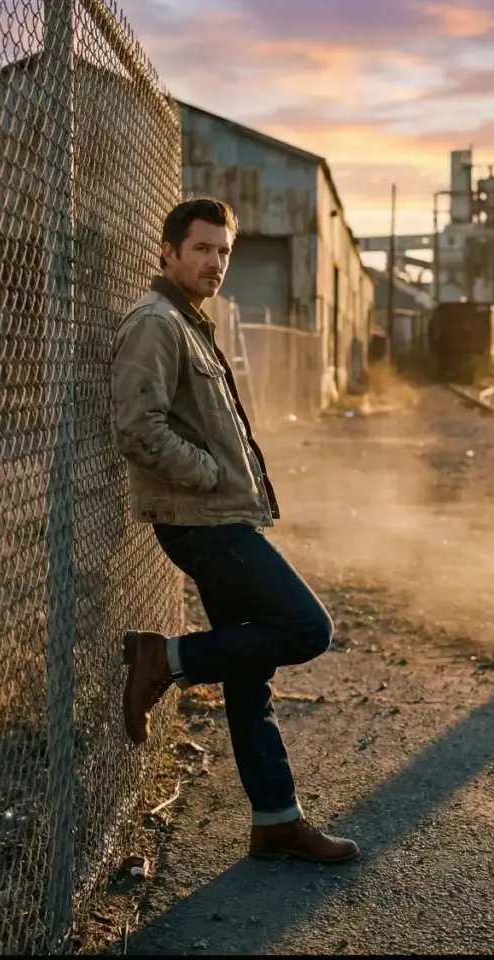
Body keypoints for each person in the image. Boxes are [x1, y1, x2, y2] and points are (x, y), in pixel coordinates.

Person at [111, 197, 359, 864]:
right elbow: (137, 427)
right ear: (167, 251)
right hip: (201, 522)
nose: (215, 262)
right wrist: (210, 473)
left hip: (218, 517)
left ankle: (275, 821)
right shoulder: (156, 323)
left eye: (223, 251)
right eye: (201, 249)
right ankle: (164, 658)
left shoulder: (190, 322)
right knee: (308, 629)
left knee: (251, 670)